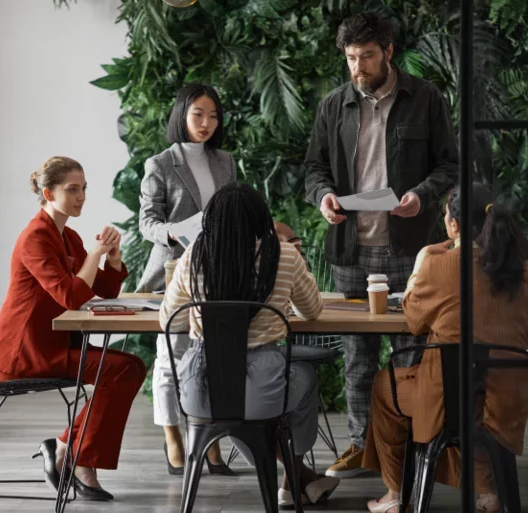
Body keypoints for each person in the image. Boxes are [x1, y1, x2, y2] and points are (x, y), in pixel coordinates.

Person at [303, 11, 459, 478]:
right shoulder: (334, 104)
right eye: (350, 58)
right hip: (352, 249)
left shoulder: (426, 98)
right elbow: (314, 168)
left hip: (412, 250)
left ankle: (408, 448)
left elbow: (450, 165)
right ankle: (360, 446)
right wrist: (323, 197)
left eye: (366, 56)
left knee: (411, 352)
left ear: (388, 52)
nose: (357, 67)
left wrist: (422, 195)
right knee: (358, 357)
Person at [362, 183, 528, 513]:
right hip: (505, 405)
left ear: (453, 224)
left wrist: (421, 260)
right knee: (471, 393)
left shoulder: (437, 265)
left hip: (448, 404)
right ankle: (486, 491)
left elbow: (414, 320)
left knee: (388, 386)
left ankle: (394, 495)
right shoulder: (523, 271)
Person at [160, 183, 340, 508]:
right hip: (262, 389)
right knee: (304, 378)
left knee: (237, 413)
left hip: (202, 392)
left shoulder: (195, 255)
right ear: (262, 219)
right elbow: (312, 311)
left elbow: (168, 319)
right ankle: (294, 479)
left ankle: (296, 478)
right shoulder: (283, 255)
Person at [0, 156, 146, 501]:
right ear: (48, 192)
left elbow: (104, 289)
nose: (82, 196)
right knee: (120, 371)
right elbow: (71, 296)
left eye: (84, 188)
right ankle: (79, 459)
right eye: (72, 189)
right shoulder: (36, 237)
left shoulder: (67, 235)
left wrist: (113, 258)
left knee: (130, 367)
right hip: (25, 351)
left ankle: (64, 446)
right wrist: (94, 255)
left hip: (53, 343)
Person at [137, 83, 237, 475]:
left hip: (217, 272)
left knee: (212, 360)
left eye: (213, 116)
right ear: (182, 114)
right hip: (175, 273)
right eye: (198, 114)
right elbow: (147, 224)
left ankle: (208, 440)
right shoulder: (160, 163)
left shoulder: (225, 161)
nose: (207, 123)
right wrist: (177, 230)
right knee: (170, 361)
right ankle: (173, 438)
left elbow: (231, 213)